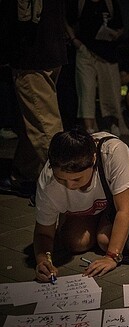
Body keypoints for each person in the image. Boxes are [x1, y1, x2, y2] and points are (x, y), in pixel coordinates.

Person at [34, 129, 129, 282]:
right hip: (92, 206)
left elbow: (124, 209)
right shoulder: (48, 182)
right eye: (61, 179)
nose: (70, 186)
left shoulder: (113, 152)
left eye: (77, 179)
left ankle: (100, 223)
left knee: (105, 240)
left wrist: (111, 256)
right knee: (76, 243)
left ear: (93, 160)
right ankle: (94, 220)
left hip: (119, 199)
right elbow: (43, 233)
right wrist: (43, 260)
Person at [0, 0, 67, 200]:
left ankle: (68, 186)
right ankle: (25, 175)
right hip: (51, 45)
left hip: (31, 51)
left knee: (45, 125)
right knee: (33, 120)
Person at [66, 0, 125, 135]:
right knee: (86, 89)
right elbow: (67, 20)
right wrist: (74, 40)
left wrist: (115, 34)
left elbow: (120, 26)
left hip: (107, 52)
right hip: (85, 50)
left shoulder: (110, 3)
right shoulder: (80, 3)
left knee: (110, 91)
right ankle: (89, 129)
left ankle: (113, 125)